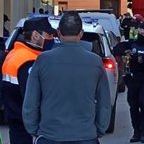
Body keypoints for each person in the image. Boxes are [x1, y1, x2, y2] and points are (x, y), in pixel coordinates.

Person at [22, 12, 111, 144]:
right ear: (81, 33)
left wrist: (34, 129)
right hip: (85, 135)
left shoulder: (43, 60)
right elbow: (104, 102)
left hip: (50, 135)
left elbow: (31, 101)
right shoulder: (95, 62)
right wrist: (99, 129)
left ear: (58, 32)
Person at [1, 17, 55, 144]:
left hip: (15, 119)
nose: (52, 38)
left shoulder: (15, 54)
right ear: (36, 35)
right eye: (49, 34)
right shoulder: (28, 61)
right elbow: (31, 97)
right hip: (26, 125)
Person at [113, 22, 144, 143]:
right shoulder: (132, 43)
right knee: (133, 106)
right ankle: (136, 132)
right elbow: (116, 49)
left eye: (143, 32)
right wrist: (125, 52)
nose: (140, 33)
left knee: (143, 104)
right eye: (139, 31)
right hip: (133, 79)